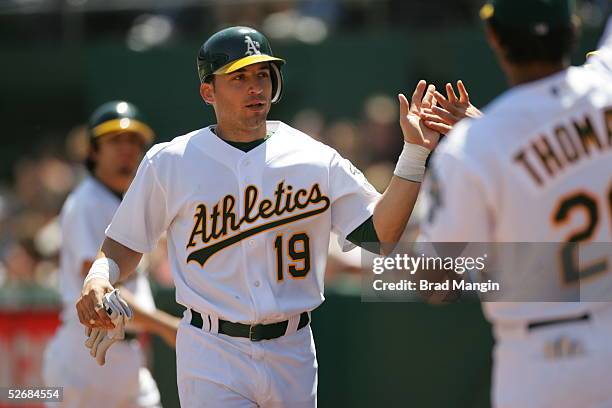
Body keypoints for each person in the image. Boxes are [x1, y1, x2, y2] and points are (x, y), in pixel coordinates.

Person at [73, 26, 478, 407]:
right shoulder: (171, 161)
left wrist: (414, 154)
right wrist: (99, 276)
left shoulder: (313, 156)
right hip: (212, 349)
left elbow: (380, 235)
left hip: (293, 348)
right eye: (239, 77)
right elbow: (123, 245)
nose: (255, 88)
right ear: (207, 91)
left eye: (263, 75)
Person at [417, 1, 612, 407]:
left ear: (494, 39)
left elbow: (435, 283)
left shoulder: (473, 148)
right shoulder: (607, 83)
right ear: (574, 30)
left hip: (542, 361)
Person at [43, 101, 179, 408]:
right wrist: (165, 325)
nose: (126, 147)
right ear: (93, 151)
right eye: (114, 140)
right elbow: (101, 294)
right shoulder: (87, 203)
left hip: (125, 358)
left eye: (133, 140)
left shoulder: (128, 201)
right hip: (85, 362)